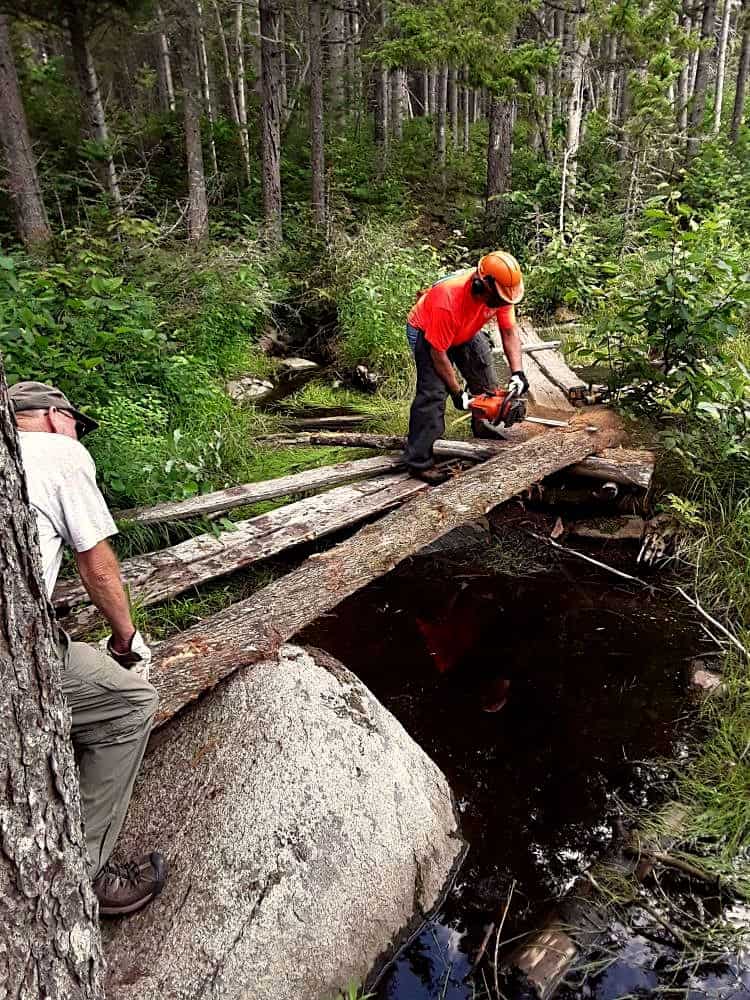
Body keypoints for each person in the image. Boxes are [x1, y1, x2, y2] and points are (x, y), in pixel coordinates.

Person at [9, 380, 166, 917]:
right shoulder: (60, 452)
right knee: (131, 703)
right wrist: (125, 639)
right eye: (76, 421)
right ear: (54, 417)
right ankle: (86, 874)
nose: (79, 433)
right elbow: (96, 564)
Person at [404, 251, 529, 484]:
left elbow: (509, 331)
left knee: (483, 372)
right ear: (482, 285)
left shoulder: (503, 292)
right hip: (427, 331)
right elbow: (438, 352)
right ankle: (418, 461)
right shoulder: (448, 298)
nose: (503, 304)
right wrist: (457, 393)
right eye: (500, 299)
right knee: (433, 393)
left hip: (464, 329)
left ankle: (482, 428)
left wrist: (518, 372)